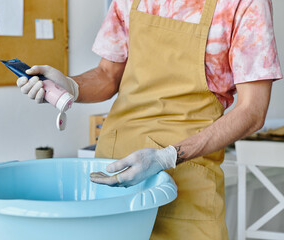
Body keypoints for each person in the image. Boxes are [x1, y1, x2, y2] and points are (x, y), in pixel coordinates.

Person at [17, 0, 283, 239]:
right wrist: (70, 85)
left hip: (186, 180)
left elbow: (252, 110)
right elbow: (108, 75)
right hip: (114, 172)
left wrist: (167, 156)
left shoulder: (245, 4)